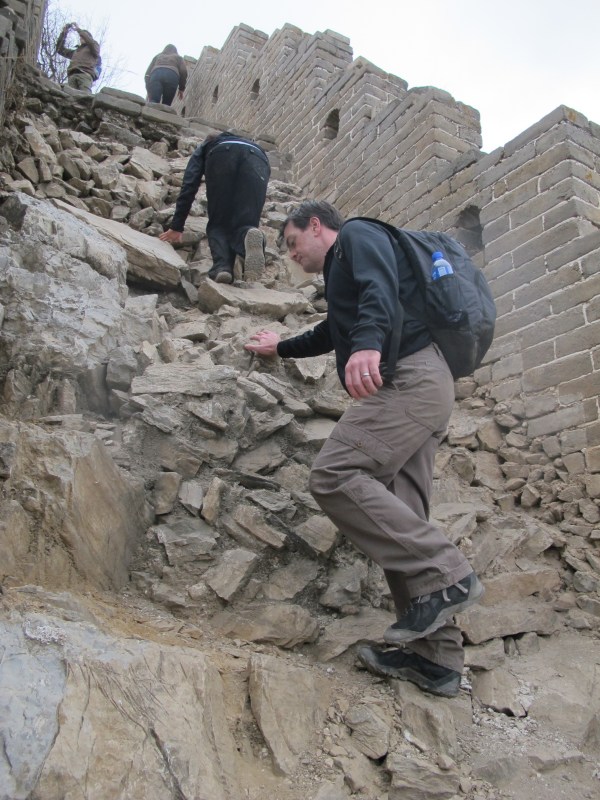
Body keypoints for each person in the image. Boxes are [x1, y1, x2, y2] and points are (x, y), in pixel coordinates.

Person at [244, 200, 484, 699]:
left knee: (334, 474)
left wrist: (369, 344)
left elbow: (380, 288)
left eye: (293, 242)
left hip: (410, 380)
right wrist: (280, 347)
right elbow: (330, 333)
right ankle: (436, 660)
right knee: (399, 519)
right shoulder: (343, 277)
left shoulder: (356, 236)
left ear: (316, 225)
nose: (292, 255)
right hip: (426, 387)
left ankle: (449, 573)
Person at [160, 131, 270, 284]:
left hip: (222, 154)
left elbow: (189, 183)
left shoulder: (207, 145)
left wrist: (177, 226)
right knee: (246, 221)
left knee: (219, 223)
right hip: (258, 159)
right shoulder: (249, 144)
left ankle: (222, 268)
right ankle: (248, 234)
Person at [56, 23, 100, 92]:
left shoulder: (94, 48)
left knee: (85, 95)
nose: (81, 38)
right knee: (70, 96)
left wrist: (78, 30)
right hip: (72, 75)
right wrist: (64, 33)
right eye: (80, 37)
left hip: (84, 75)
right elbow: (60, 50)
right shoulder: (76, 51)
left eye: (83, 36)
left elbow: (90, 42)